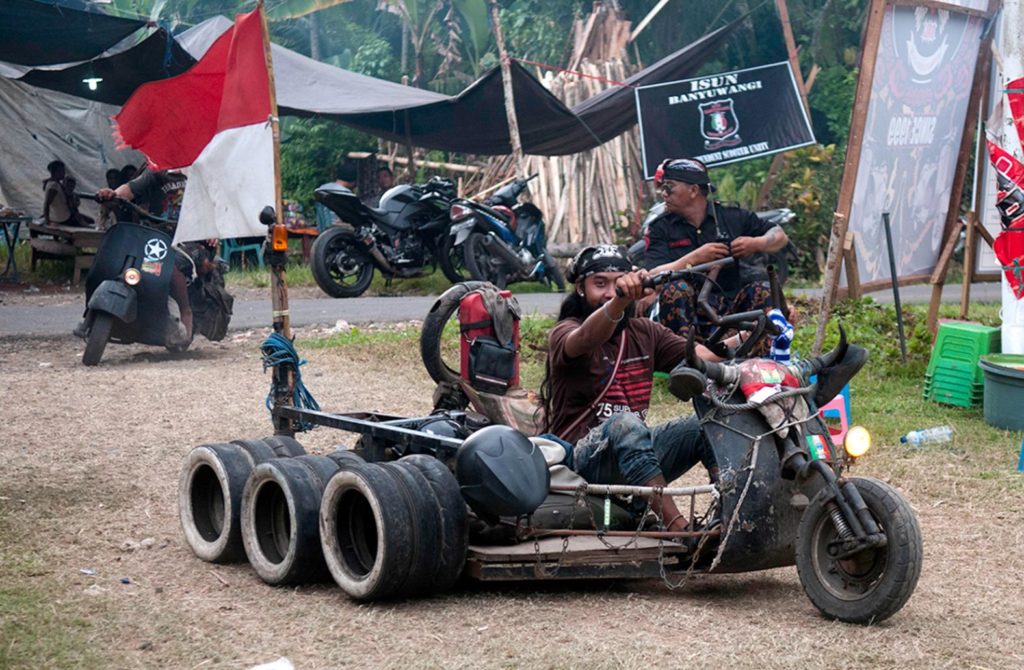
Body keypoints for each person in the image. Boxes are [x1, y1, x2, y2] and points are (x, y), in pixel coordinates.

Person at [538, 245, 748, 533]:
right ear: (580, 289)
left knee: (705, 425)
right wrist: (620, 302)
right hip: (581, 465)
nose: (610, 292)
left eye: (618, 283)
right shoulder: (565, 331)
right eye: (600, 284)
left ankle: (731, 519)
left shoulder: (645, 332)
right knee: (625, 423)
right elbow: (585, 337)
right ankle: (679, 529)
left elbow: (700, 357)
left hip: (633, 456)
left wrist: (752, 333)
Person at [642, 158, 789, 345]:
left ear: (693, 190)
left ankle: (764, 357)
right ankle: (684, 361)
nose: (664, 194)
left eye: (669, 187)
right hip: (687, 312)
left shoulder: (732, 217)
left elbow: (780, 235)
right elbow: (652, 276)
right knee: (676, 289)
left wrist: (757, 243)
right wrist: (694, 258)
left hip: (733, 305)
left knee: (764, 290)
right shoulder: (660, 228)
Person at [95, 169, 209, 345]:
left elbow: (214, 203)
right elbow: (129, 189)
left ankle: (186, 311)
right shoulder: (155, 174)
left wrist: (213, 229)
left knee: (169, 269)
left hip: (189, 240)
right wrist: (112, 194)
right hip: (156, 237)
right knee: (127, 262)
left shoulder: (198, 172)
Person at [42, 160, 72, 226]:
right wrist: (48, 221)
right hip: (62, 218)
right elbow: (46, 204)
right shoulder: (53, 186)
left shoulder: (54, 183)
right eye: (62, 171)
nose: (64, 173)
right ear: (56, 172)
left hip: (59, 216)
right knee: (89, 221)